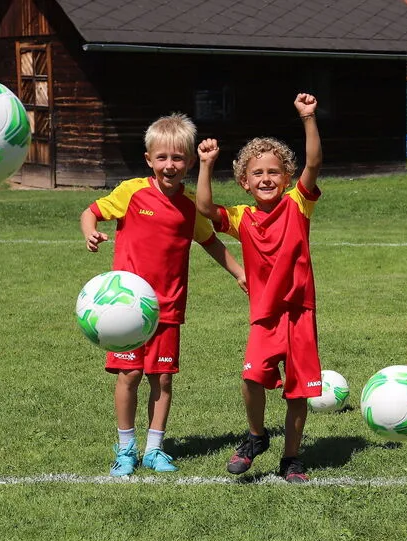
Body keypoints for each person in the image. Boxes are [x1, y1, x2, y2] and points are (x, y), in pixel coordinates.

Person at [81, 112, 246, 477]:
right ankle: (125, 448)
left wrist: (238, 272)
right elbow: (90, 211)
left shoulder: (189, 205)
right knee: (129, 376)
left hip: (167, 308)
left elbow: (211, 242)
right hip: (123, 310)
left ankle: (155, 449)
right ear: (149, 160)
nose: (169, 165)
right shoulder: (131, 192)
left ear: (188, 161)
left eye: (177, 158)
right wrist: (90, 231)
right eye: (162, 158)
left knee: (163, 378)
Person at [195, 93, 323, 482]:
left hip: (300, 312)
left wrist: (308, 118)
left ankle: (292, 459)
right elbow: (203, 207)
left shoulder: (299, 204)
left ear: (287, 178)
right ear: (244, 183)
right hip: (264, 315)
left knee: (298, 392)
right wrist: (205, 164)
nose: (266, 178)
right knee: (252, 378)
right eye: (257, 174)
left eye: (274, 172)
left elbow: (314, 161)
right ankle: (255, 437)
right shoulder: (241, 216)